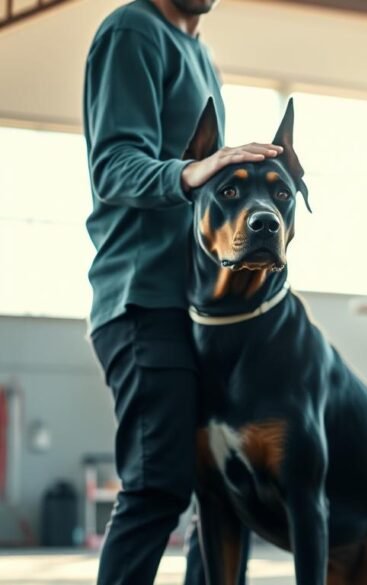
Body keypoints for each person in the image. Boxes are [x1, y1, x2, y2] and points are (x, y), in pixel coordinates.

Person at [83, 1, 277, 582]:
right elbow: (113, 165)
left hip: (200, 309)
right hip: (143, 300)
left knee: (225, 496)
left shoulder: (199, 53)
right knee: (157, 485)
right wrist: (189, 173)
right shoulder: (133, 31)